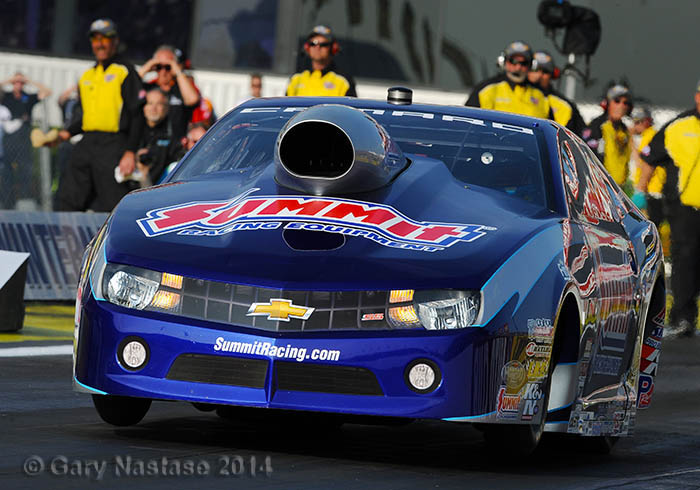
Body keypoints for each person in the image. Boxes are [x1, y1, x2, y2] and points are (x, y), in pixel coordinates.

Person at [55, 18, 144, 212]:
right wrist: (66, 133)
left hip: (114, 144)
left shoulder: (125, 71)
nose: (100, 44)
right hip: (87, 142)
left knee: (112, 202)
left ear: (115, 41)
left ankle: (109, 234)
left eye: (105, 39)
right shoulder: (87, 76)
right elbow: (86, 116)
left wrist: (130, 151)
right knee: (68, 197)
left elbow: (137, 114)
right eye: (95, 39)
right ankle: (68, 232)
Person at [638, 80, 700, 338]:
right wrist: (639, 195)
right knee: (685, 259)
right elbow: (648, 158)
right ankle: (682, 317)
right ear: (697, 97)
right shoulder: (678, 126)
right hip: (684, 208)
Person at [0, 72, 52, 208]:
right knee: (6, 171)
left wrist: (28, 80)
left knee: (25, 170)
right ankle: (7, 202)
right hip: (9, 137)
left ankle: (24, 199)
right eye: (16, 82)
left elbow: (47, 92)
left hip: (23, 137)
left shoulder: (28, 97)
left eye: (20, 82)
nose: (18, 84)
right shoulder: (6, 96)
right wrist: (10, 80)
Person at [465, 41, 550, 119]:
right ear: (503, 62)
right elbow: (467, 122)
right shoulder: (485, 90)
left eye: (523, 63)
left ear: (531, 66)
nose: (518, 67)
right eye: (513, 61)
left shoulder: (542, 95)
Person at [139, 45, 199, 139]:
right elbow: (128, 88)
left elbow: (192, 100)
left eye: (168, 67)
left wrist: (178, 71)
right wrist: (147, 67)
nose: (163, 72)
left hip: (175, 142)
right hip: (147, 140)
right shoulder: (149, 87)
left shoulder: (182, 88)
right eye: (159, 67)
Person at [583, 84, 633, 189]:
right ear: (607, 103)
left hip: (619, 189)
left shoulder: (624, 130)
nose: (622, 106)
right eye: (617, 101)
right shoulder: (597, 126)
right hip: (599, 187)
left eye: (626, 103)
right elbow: (586, 158)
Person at [286, 25, 356, 97]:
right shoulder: (296, 79)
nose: (317, 47)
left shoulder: (343, 81)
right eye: (313, 44)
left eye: (323, 44)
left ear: (333, 48)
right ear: (307, 48)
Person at [133, 87, 183, 187]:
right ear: (143, 107)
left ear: (167, 108)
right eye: (150, 103)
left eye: (159, 104)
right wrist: (134, 158)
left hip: (158, 187)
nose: (153, 108)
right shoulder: (132, 132)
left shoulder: (173, 133)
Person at [528, 51, 585, 136]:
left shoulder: (564, 105)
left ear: (553, 74)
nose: (539, 75)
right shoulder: (509, 90)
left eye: (545, 71)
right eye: (534, 70)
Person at [630, 106, 664, 225]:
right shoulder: (648, 136)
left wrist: (640, 190)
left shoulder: (650, 136)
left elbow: (643, 163)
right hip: (649, 189)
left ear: (647, 121)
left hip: (651, 190)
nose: (635, 126)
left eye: (638, 122)